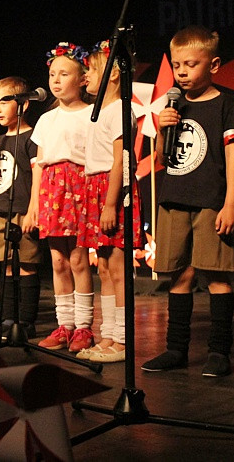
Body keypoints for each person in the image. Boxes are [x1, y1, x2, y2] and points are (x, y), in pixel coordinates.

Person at [141, 26, 234, 378]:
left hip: (210, 203)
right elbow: (161, 158)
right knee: (179, 275)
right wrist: (162, 130)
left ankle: (219, 351)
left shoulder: (226, 106)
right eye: (177, 65)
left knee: (216, 276)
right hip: (174, 201)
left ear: (213, 64)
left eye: (191, 64)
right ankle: (176, 349)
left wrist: (231, 203)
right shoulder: (175, 106)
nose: (182, 72)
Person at [76, 41, 142, 363]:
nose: (85, 75)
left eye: (91, 70)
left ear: (114, 74)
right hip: (96, 188)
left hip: (113, 190)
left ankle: (123, 341)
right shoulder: (98, 111)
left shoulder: (120, 110)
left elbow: (121, 161)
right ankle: (109, 336)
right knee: (102, 267)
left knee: (117, 268)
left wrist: (111, 203)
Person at [28, 42, 95, 353]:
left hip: (81, 188)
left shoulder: (91, 115)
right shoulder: (46, 119)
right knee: (58, 261)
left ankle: (83, 326)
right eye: (52, 74)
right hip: (52, 191)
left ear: (82, 79)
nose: (55, 80)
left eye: (64, 74)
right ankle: (63, 325)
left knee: (80, 259)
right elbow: (39, 166)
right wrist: (32, 208)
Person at [0, 76, 42, 337]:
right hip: (0, 208)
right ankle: (6, 318)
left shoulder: (32, 137)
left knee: (27, 263)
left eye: (5, 102)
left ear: (24, 105)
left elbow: (38, 174)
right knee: (5, 264)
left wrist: (33, 209)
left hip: (23, 208)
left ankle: (26, 320)